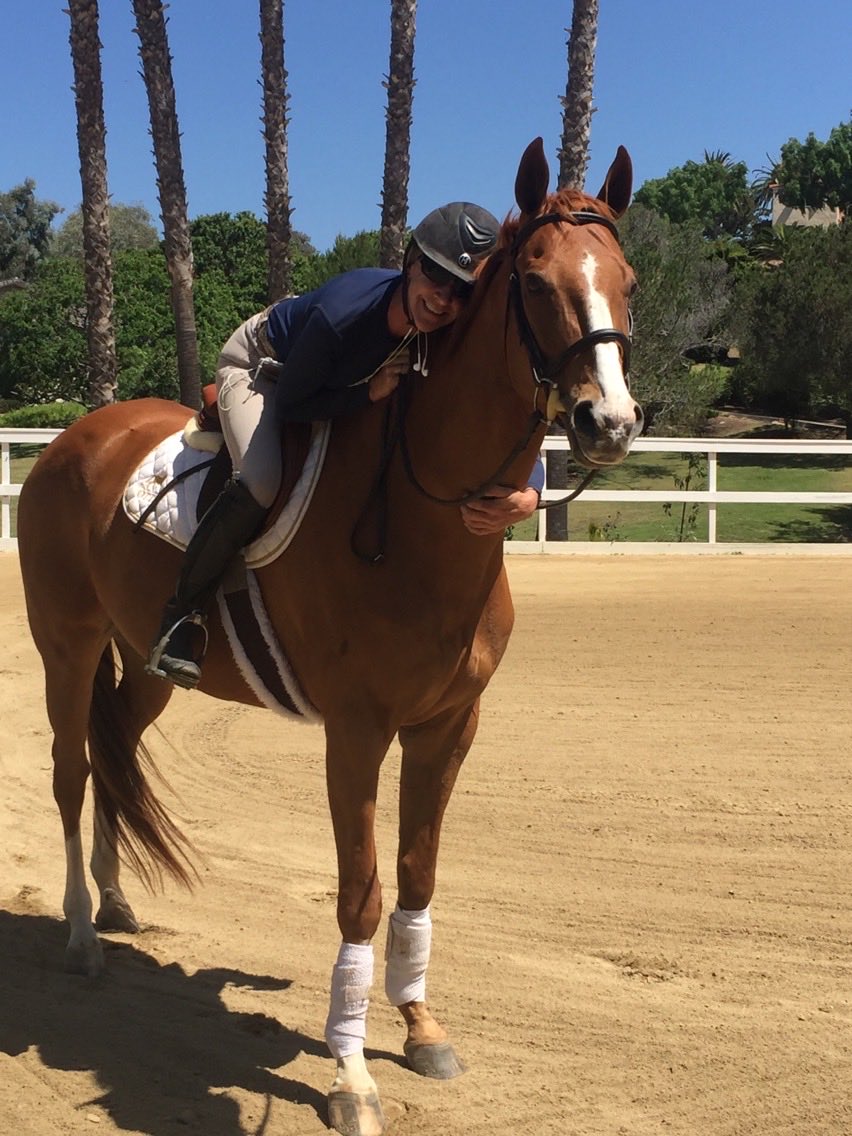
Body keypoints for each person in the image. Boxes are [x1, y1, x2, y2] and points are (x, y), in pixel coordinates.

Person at [147, 202, 540, 689]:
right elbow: (292, 404)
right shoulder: (344, 316)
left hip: (335, 378)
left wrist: (533, 488)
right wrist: (366, 393)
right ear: (412, 262)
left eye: (462, 290)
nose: (443, 299)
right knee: (261, 481)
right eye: (435, 276)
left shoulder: (442, 327)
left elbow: (498, 412)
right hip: (265, 368)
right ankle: (182, 618)